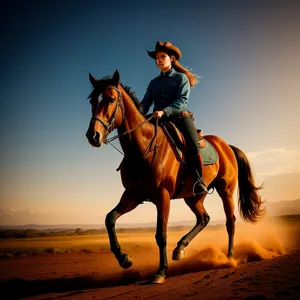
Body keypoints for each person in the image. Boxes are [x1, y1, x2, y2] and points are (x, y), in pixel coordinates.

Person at [139, 41, 208, 195]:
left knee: (192, 142)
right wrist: (137, 114)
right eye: (157, 58)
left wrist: (164, 111)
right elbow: (145, 103)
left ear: (171, 58)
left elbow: (182, 101)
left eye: (163, 56)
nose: (159, 60)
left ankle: (199, 180)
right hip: (159, 121)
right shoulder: (153, 83)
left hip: (180, 118)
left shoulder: (180, 78)